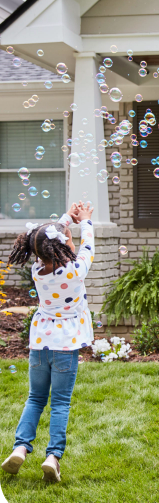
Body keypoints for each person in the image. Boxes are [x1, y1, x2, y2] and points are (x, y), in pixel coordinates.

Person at [1, 201, 95, 482]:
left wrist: (66, 218)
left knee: (35, 398)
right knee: (61, 402)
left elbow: (42, 238)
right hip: (65, 346)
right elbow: (88, 243)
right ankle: (53, 456)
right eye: (67, 238)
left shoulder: (37, 270)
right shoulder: (76, 270)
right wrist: (86, 220)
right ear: (64, 247)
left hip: (40, 343)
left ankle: (20, 447)